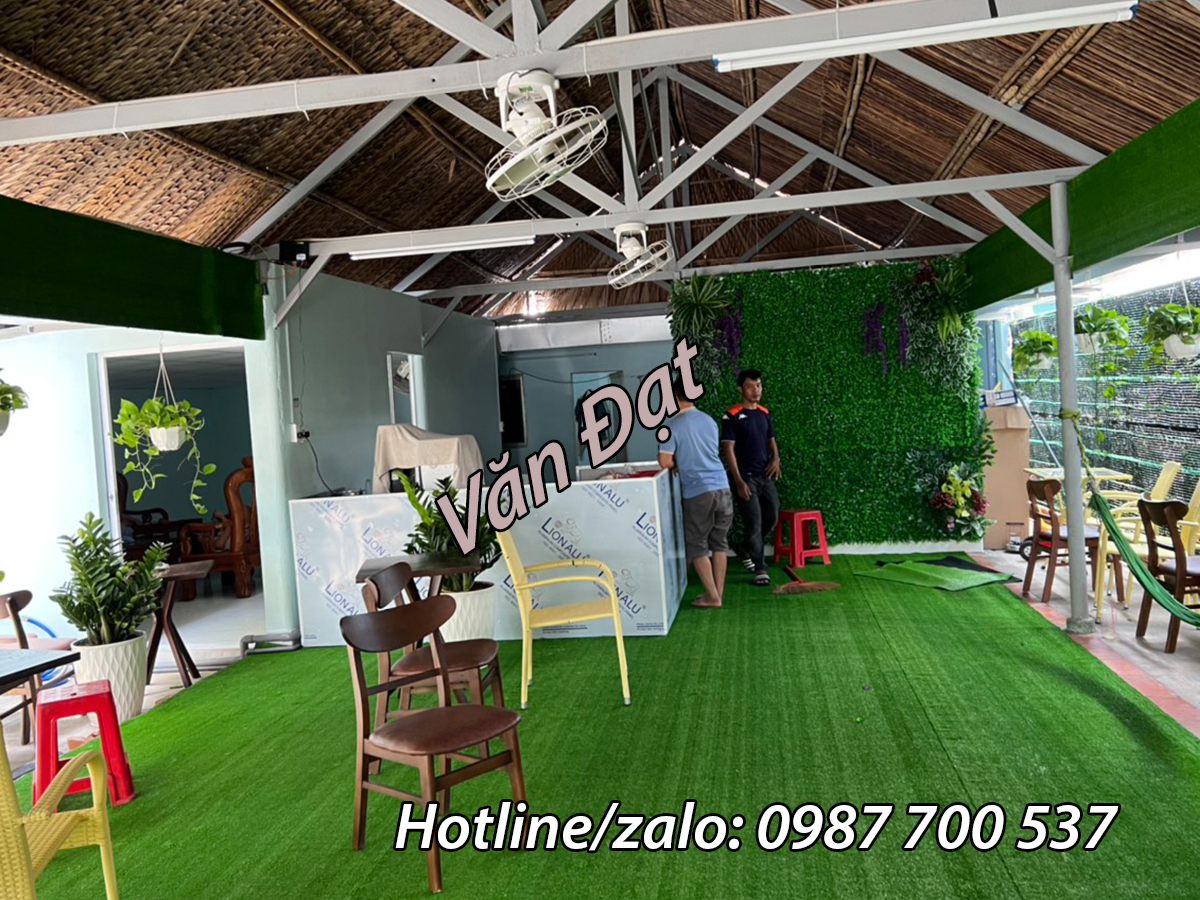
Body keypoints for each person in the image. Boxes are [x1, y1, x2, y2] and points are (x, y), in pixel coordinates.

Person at [658, 376, 733, 608]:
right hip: (722, 486)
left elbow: (664, 461)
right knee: (719, 543)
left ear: (674, 396)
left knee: (697, 545)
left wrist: (677, 463)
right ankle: (718, 594)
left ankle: (712, 596)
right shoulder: (709, 421)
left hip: (698, 491)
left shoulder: (672, 426)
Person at [721, 369, 781, 586]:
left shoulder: (764, 413)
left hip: (764, 475)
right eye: (750, 386)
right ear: (740, 389)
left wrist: (776, 459)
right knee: (753, 523)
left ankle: (747, 547)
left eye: (758, 385)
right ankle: (760, 568)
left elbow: (771, 439)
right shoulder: (731, 415)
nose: (756, 390)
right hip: (745, 478)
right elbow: (728, 448)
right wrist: (738, 481)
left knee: (772, 515)